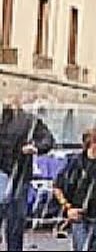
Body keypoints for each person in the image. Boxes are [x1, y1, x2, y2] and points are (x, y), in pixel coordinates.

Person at [0, 94, 55, 251]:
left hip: (19, 176)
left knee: (15, 221)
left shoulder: (29, 121)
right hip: (8, 174)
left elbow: (48, 140)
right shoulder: (23, 121)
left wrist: (35, 147)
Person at [53, 127, 96, 252]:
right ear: (93, 143)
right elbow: (57, 187)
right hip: (79, 216)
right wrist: (68, 208)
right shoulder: (76, 163)